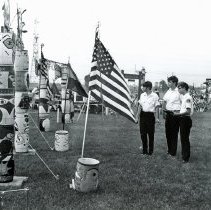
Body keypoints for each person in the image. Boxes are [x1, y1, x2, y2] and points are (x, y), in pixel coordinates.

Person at [136, 81, 160, 155]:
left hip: (150, 116)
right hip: (143, 115)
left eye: (143, 87)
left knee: (150, 134)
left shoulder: (155, 96)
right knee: (143, 134)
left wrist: (156, 118)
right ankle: (144, 151)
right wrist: (137, 117)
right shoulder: (142, 95)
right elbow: (140, 106)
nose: (142, 88)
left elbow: (156, 107)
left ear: (148, 87)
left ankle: (150, 152)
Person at [172, 82, 193, 163]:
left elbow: (188, 111)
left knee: (184, 139)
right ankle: (184, 155)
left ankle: (186, 157)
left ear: (184, 88)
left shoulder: (188, 98)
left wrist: (177, 114)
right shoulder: (184, 97)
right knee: (183, 138)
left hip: (185, 119)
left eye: (180, 88)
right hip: (183, 119)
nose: (178, 89)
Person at [162, 76, 181, 157]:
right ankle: (169, 150)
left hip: (175, 114)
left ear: (174, 83)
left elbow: (183, 103)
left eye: (169, 82)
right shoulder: (168, 91)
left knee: (174, 133)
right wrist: (163, 111)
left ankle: (173, 152)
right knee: (168, 133)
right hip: (168, 114)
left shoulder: (179, 92)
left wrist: (179, 112)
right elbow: (164, 101)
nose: (168, 83)